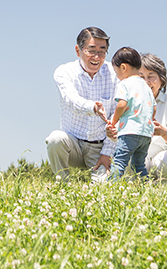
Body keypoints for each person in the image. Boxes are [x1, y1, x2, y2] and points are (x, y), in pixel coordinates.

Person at [46, 27, 118, 180]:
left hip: (100, 147)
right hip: (73, 144)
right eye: (91, 50)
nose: (97, 57)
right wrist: (92, 107)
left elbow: (118, 116)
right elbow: (71, 100)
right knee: (55, 139)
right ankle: (62, 184)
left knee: (103, 192)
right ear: (78, 51)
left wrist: (107, 153)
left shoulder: (114, 73)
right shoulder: (64, 72)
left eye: (102, 51)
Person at [106, 47, 155, 180]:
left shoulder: (125, 83)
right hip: (146, 134)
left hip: (129, 132)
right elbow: (153, 109)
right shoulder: (146, 86)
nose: (117, 75)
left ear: (123, 67)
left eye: (116, 71)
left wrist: (114, 121)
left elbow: (122, 104)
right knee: (138, 165)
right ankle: (147, 186)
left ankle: (109, 188)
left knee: (119, 162)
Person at [139, 53, 167, 179]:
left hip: (161, 155)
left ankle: (163, 189)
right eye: (141, 77)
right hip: (138, 155)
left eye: (151, 76)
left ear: (162, 79)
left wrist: (162, 131)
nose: (146, 82)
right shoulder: (129, 101)